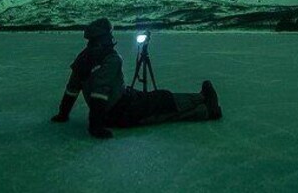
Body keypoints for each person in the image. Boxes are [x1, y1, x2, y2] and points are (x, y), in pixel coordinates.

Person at [50, 18, 222, 139]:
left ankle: (202, 100)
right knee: (161, 104)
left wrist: (63, 114)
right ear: (104, 38)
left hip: (119, 103)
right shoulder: (110, 58)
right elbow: (99, 93)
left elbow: (72, 89)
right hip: (120, 111)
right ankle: (205, 107)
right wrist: (96, 127)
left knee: (158, 99)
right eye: (109, 36)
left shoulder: (83, 57)